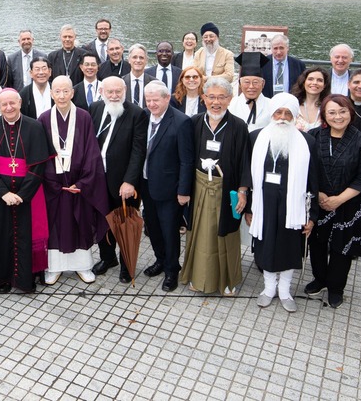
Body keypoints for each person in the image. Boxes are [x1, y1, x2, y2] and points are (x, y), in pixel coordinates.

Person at [243, 93, 321, 313]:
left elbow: (313, 181)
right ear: (272, 113)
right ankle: (268, 289)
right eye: (278, 112)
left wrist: (312, 216)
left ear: (295, 116)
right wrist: (249, 208)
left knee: (289, 248)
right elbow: (248, 178)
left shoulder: (307, 141)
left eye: (288, 114)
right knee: (266, 246)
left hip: (293, 207)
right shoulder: (256, 137)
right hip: (263, 204)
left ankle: (285, 290)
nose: (283, 118)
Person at [181, 77, 251, 295]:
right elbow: (185, 158)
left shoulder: (238, 126)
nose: (216, 102)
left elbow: (245, 162)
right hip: (199, 186)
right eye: (211, 97)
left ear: (230, 99)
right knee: (199, 234)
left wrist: (242, 191)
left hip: (225, 188)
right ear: (203, 99)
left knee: (225, 234)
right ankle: (197, 276)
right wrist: (183, 190)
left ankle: (226, 280)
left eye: (222, 97)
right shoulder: (194, 122)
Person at [304, 94, 361, 308]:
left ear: (350, 112)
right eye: (332, 112)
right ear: (324, 115)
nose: (338, 116)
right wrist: (321, 194)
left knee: (342, 249)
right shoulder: (313, 136)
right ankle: (319, 278)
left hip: (348, 204)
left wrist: (339, 199)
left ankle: (336, 287)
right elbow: (306, 170)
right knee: (317, 243)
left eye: (342, 111)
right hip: (319, 201)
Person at [38, 77, 109, 285]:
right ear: (52, 94)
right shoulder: (43, 118)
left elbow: (92, 152)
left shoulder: (84, 117)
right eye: (57, 92)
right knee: (55, 225)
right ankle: (54, 267)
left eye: (65, 91)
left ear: (72, 93)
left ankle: (82, 265)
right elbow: (41, 153)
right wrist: (52, 181)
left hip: (79, 183)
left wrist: (83, 183)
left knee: (81, 223)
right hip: (55, 185)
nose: (61, 96)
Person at [0, 89, 50, 293]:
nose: (8, 108)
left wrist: (22, 195)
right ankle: (3, 279)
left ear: (20, 103)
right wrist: (3, 193)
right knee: (1, 236)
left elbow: (38, 167)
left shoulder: (34, 126)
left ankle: (25, 279)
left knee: (25, 236)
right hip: (0, 195)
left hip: (26, 195)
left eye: (12, 103)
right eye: (4, 104)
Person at [89, 76, 146, 282]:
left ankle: (127, 264)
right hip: (98, 180)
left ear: (125, 91)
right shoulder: (94, 108)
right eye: (110, 92)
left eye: (118, 92)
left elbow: (139, 150)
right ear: (102, 91)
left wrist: (130, 181)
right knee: (103, 222)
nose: (114, 96)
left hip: (123, 183)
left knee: (125, 225)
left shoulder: (136, 114)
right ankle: (107, 258)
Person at [141, 81, 195, 292]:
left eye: (156, 100)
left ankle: (172, 269)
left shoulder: (181, 122)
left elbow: (186, 160)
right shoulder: (143, 117)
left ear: (166, 98)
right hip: (146, 184)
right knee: (152, 227)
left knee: (169, 230)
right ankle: (160, 260)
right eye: (148, 100)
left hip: (170, 189)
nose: (152, 104)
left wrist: (183, 191)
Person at [228, 52, 272, 131]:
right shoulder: (232, 104)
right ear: (240, 84)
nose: (251, 87)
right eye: (247, 82)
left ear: (263, 83)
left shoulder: (271, 105)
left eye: (255, 82)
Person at [292, 67, 331, 132]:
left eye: (319, 80)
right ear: (304, 83)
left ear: (324, 85)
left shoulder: (328, 107)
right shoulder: (293, 105)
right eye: (310, 79)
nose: (315, 83)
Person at [123, 44, 155, 110]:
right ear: (129, 60)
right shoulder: (121, 82)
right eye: (134, 57)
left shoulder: (154, 83)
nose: (138, 60)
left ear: (146, 61)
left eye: (141, 58)